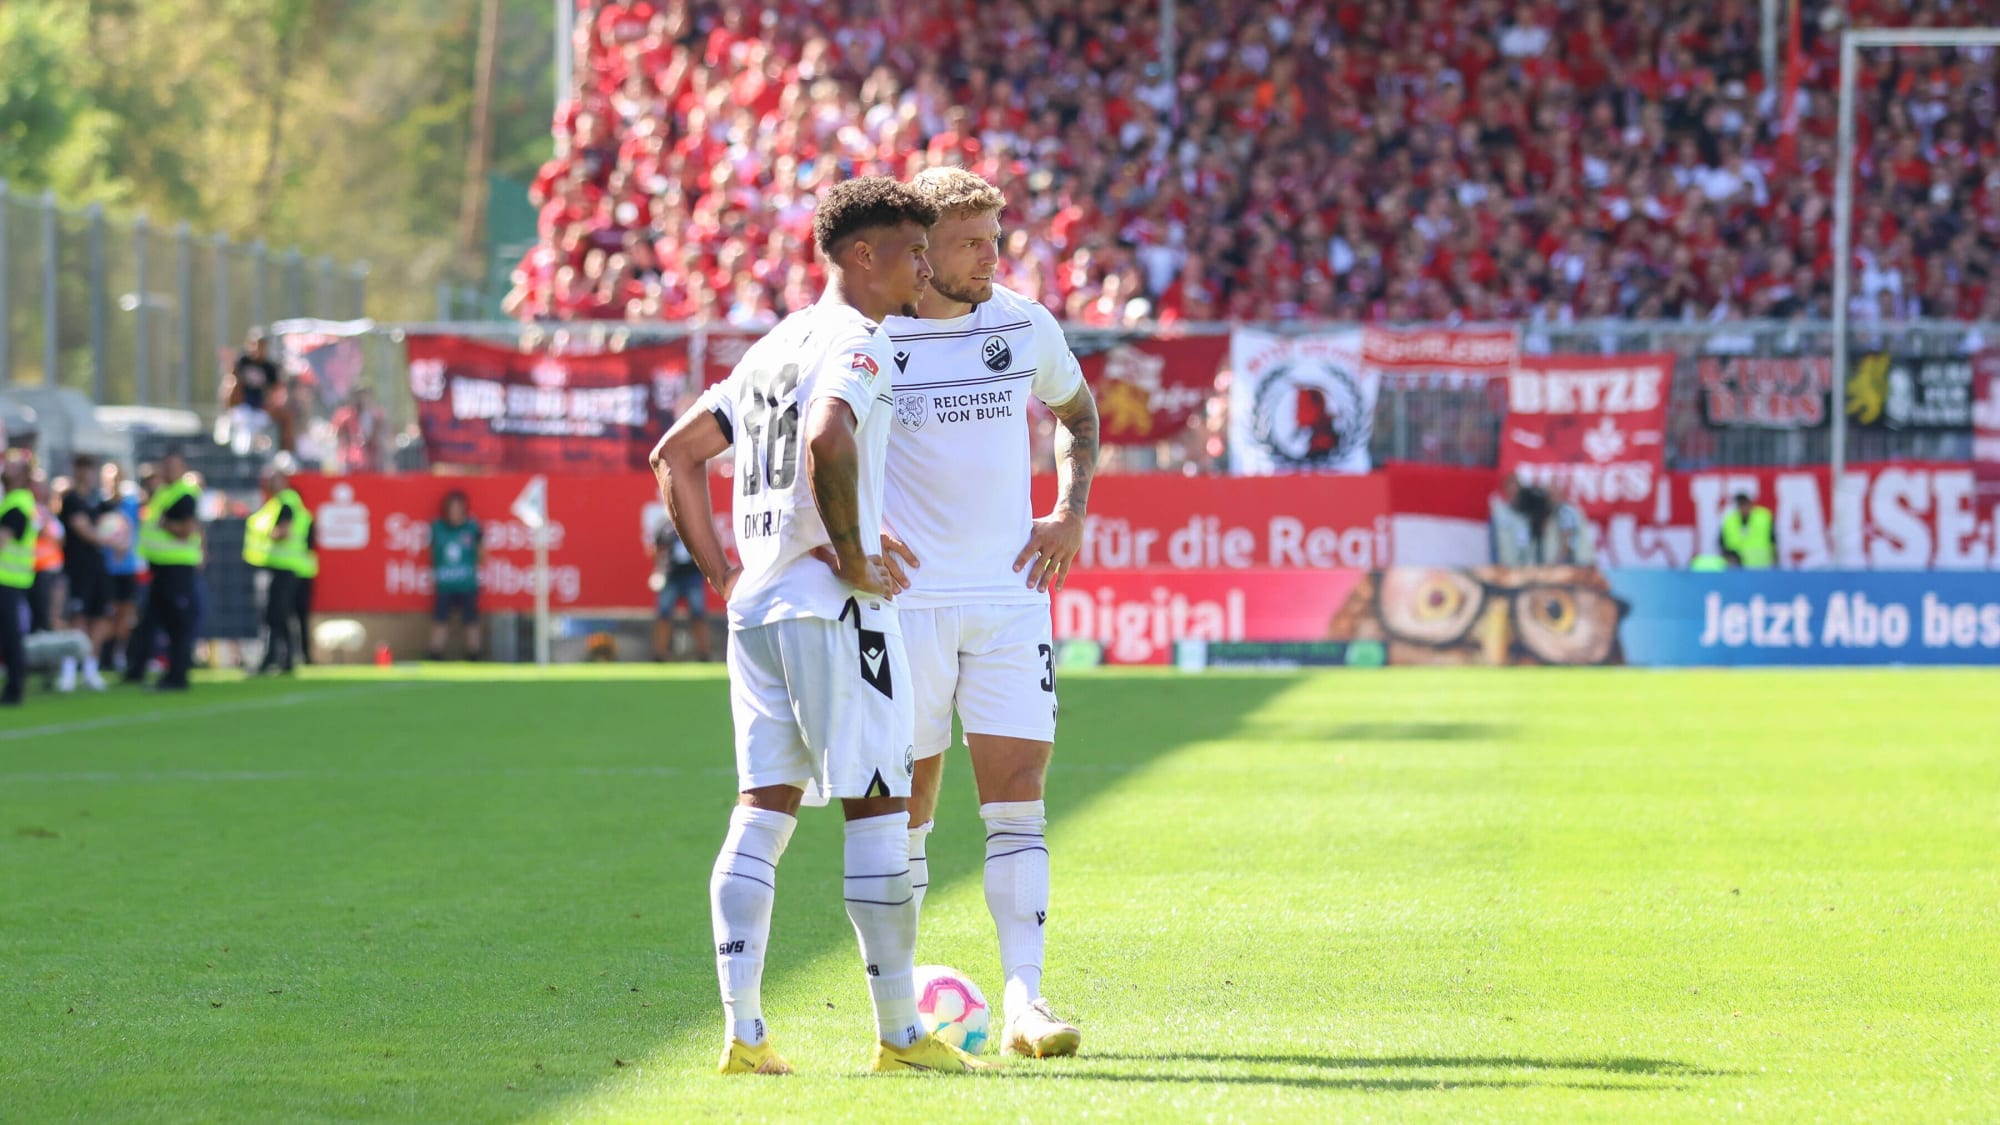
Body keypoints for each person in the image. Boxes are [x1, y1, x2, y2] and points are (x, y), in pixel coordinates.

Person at [649, 176, 981, 1075]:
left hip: (757, 612)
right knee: (881, 804)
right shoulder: (858, 341)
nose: (924, 264)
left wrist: (725, 572)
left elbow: (674, 456)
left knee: (761, 811)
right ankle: (902, 1033)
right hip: (833, 614)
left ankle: (744, 1033)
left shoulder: (770, 347)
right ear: (861, 257)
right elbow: (829, 438)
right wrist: (853, 551)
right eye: (912, 249)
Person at [880, 167, 1098, 1058]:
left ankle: (1025, 1001)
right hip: (907, 608)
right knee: (907, 811)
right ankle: (897, 1013)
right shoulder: (876, 337)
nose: (992, 256)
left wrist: (1070, 508)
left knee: (1019, 802)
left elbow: (1078, 416)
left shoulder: (1023, 322)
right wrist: (853, 541)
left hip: (1011, 602)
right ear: (920, 251)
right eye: (974, 241)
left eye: (995, 237)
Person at [123, 448, 203, 691]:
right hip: (160, 569)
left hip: (176, 569)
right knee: (149, 621)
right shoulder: (163, 493)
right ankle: (136, 670)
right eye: (165, 466)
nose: (167, 471)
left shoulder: (184, 494)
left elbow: (186, 530)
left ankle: (177, 676)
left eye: (173, 466)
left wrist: (163, 523)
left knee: (177, 623)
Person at [243, 457, 312, 674]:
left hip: (284, 567)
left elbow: (283, 532)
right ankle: (283, 658)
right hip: (280, 567)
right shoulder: (277, 504)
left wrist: (265, 535)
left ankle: (280, 658)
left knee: (277, 615)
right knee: (277, 615)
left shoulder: (285, 503)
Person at [57, 454, 111, 691]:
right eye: (83, 468)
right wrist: (110, 540)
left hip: (98, 569)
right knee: (77, 619)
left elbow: (114, 521)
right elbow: (85, 530)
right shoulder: (71, 500)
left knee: (98, 618)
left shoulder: (98, 501)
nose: (87, 474)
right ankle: (69, 671)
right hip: (77, 569)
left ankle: (91, 668)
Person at [647, 506, 712, 661]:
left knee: (698, 615)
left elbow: (707, 546)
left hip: (692, 575)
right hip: (671, 576)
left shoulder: (695, 523)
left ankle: (704, 654)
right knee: (663, 614)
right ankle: (659, 654)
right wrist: (660, 567)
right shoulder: (664, 526)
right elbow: (655, 549)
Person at [0, 454, 38, 705]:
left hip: (8, 579)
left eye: (13, 466)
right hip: (11, 579)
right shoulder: (15, 502)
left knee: (10, 636)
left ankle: (15, 690)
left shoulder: (18, 504)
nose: (6, 468)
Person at [100, 461, 144, 673]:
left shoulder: (131, 503)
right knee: (108, 614)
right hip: (106, 570)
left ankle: (120, 653)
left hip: (127, 568)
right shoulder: (100, 504)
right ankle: (104, 655)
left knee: (126, 614)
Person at [428, 491, 483, 660]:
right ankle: (436, 654)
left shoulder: (472, 528)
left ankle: (474, 654)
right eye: (453, 508)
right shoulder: (437, 528)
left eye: (459, 508)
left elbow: (482, 553)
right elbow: (431, 552)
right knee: (441, 620)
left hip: (467, 584)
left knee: (471, 620)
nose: (456, 512)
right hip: (445, 584)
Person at [222, 329, 288, 454]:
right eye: (256, 344)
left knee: (281, 418)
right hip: (241, 407)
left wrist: (270, 403)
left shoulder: (269, 368)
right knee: (244, 428)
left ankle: (284, 452)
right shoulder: (242, 361)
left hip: (259, 409)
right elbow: (232, 381)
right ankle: (240, 452)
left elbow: (276, 391)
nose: (258, 349)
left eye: (262, 346)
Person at [332, 387, 389, 474]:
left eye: (365, 396)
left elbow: (382, 437)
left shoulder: (377, 416)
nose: (362, 399)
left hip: (372, 459)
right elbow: (340, 437)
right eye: (359, 396)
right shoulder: (346, 416)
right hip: (351, 459)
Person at [1720, 492, 1777, 569]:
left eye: (1744, 504)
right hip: (1738, 569)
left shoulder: (1763, 518)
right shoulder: (1729, 521)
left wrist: (1776, 565)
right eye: (1740, 505)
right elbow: (1722, 545)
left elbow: (1773, 542)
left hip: (1762, 567)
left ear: (1750, 504)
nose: (1743, 508)